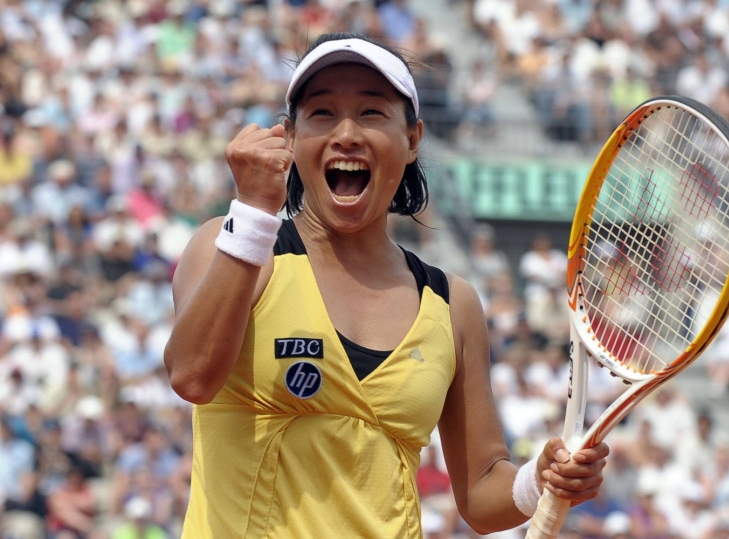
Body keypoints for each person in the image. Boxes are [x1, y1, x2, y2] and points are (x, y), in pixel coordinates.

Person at [164, 32, 610, 538]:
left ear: (413, 138)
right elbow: (192, 377)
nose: (347, 134)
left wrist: (544, 479)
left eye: (372, 113)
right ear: (290, 137)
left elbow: (482, 494)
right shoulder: (237, 248)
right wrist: (250, 215)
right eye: (323, 114)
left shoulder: (452, 303)